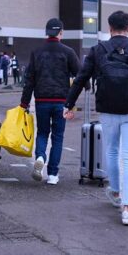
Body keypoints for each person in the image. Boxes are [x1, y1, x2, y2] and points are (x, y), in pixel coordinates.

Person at [65, 10, 128, 226]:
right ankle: (127, 209)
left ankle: (117, 193)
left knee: (111, 150)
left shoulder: (98, 50)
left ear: (109, 29)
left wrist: (69, 104)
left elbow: (81, 78)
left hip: (108, 109)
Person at [19, 18, 81, 185]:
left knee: (42, 132)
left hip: (41, 100)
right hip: (62, 101)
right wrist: (75, 97)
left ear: (47, 32)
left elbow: (29, 79)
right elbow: (80, 75)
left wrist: (24, 103)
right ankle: (53, 174)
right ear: (61, 32)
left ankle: (40, 157)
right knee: (58, 136)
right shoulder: (68, 52)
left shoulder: (37, 51)